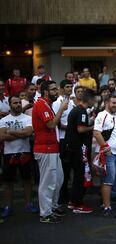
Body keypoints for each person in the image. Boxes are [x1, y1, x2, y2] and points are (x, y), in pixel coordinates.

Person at [32, 80, 68, 223]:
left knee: (58, 179)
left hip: (52, 148)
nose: (56, 92)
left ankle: (52, 206)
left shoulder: (47, 104)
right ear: (46, 92)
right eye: (53, 90)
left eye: (56, 89)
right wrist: (61, 110)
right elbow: (51, 124)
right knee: (48, 182)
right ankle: (45, 214)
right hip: (45, 149)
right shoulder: (41, 104)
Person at [0, 95, 39, 219]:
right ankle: (8, 206)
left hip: (24, 153)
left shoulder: (28, 118)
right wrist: (21, 134)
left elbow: (28, 133)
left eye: (19, 103)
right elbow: (2, 137)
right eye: (15, 103)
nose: (18, 105)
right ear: (10, 104)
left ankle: (28, 204)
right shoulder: (3, 120)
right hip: (9, 154)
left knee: (27, 180)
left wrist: (11, 132)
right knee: (8, 182)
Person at [65, 89, 95, 213]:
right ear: (89, 99)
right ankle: (78, 204)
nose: (95, 102)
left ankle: (73, 201)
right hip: (78, 149)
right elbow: (81, 129)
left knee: (78, 175)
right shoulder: (81, 111)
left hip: (74, 148)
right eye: (94, 99)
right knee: (80, 175)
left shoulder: (77, 110)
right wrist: (94, 126)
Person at [93, 95, 116, 217]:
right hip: (107, 154)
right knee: (108, 181)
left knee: (108, 180)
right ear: (106, 103)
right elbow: (96, 132)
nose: (115, 105)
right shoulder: (102, 115)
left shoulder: (112, 117)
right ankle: (107, 207)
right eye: (113, 103)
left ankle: (106, 204)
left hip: (114, 152)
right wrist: (105, 147)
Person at [52, 80, 75, 205]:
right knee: (63, 169)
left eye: (71, 86)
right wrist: (72, 127)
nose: (69, 88)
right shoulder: (57, 103)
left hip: (71, 138)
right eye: (67, 86)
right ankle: (61, 196)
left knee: (69, 168)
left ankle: (66, 194)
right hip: (62, 138)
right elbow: (58, 122)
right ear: (61, 88)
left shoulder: (72, 102)